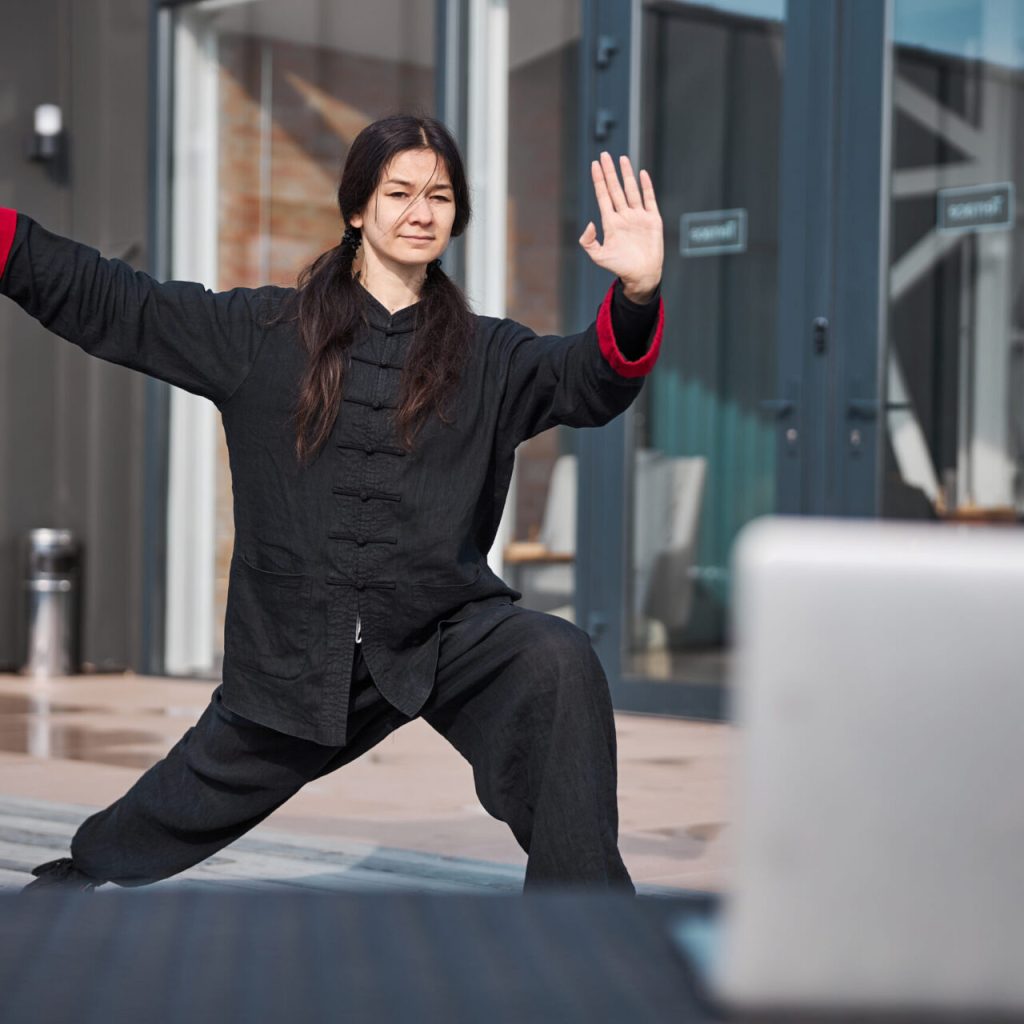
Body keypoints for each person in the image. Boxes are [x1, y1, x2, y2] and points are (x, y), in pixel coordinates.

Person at [4, 114, 664, 894]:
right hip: (296, 651)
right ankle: (85, 872)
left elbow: (590, 380)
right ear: (357, 208)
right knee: (187, 797)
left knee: (553, 659)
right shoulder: (262, 333)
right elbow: (122, 304)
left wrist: (637, 291)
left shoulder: (493, 354)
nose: (422, 212)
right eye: (400, 193)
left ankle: (585, 926)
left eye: (441, 197)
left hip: (440, 630)